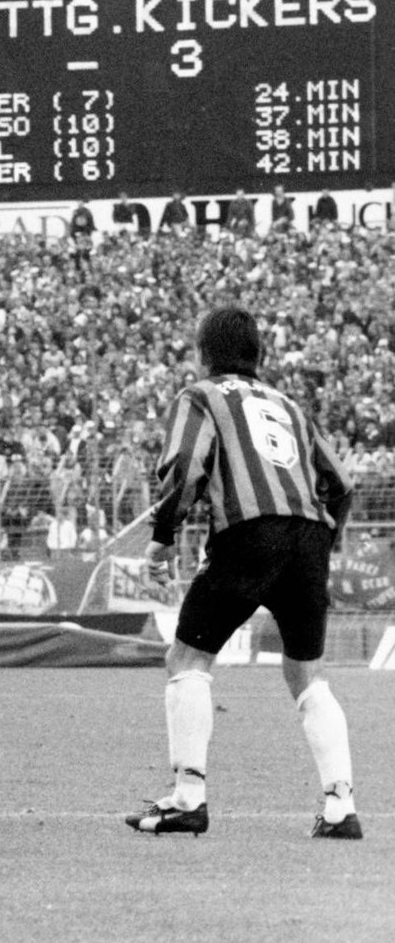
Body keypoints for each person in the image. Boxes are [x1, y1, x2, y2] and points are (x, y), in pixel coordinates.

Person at [125, 305, 360, 839]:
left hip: (249, 533)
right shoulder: (291, 407)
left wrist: (162, 542)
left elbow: (185, 466)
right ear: (260, 355)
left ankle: (188, 798)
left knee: (187, 658)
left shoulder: (200, 396)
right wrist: (323, 544)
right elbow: (342, 484)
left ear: (203, 353)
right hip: (307, 539)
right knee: (307, 677)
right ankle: (341, 807)